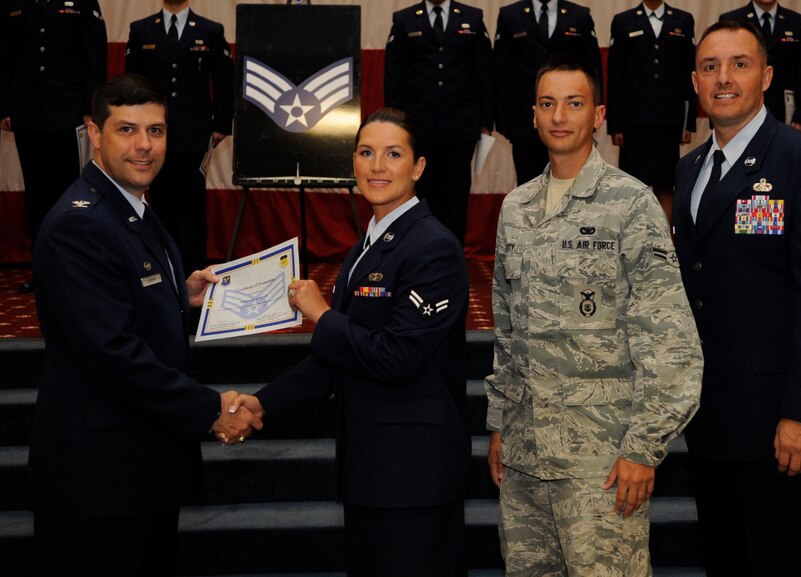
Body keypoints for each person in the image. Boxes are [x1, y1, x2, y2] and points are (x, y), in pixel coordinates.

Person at [28, 74, 261, 577]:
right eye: (127, 130)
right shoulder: (81, 222)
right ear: (94, 132)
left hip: (138, 470)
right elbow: (111, 352)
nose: (144, 146)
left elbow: (122, 298)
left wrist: (183, 295)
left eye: (156, 131)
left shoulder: (129, 207)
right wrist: (210, 407)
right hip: (98, 479)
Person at [485, 56, 702, 576]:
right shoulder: (516, 208)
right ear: (533, 116)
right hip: (524, 460)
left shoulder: (631, 204)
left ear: (598, 114)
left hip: (601, 462)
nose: (560, 115)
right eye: (547, 103)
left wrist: (644, 448)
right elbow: (506, 330)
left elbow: (671, 340)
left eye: (574, 103)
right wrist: (499, 425)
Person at [231, 108, 471, 577]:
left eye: (393, 154)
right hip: (372, 469)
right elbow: (335, 357)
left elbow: (396, 357)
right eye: (366, 153)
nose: (377, 166)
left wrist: (321, 314)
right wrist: (262, 404)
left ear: (418, 167)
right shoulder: (367, 246)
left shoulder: (432, 246)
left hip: (412, 476)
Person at [673, 20, 801, 577]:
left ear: (767, 77)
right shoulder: (689, 170)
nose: (723, 79)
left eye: (739, 64)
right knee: (726, 562)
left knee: (786, 564)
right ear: (695, 81)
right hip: (711, 419)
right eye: (710, 67)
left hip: (782, 424)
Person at [0, 0, 107, 293]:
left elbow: (93, 53)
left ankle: (73, 268)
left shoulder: (82, 2)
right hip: (27, 112)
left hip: (70, 112)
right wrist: (5, 106)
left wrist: (91, 108)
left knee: (70, 194)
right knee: (37, 195)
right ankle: (43, 269)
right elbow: (6, 52)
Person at [125, 0, 234, 274]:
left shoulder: (210, 30)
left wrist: (220, 124)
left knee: (192, 207)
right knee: (159, 203)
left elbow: (224, 81)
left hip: (194, 134)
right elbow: (132, 84)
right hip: (153, 135)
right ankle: (163, 267)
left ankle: (194, 270)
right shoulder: (141, 30)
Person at [384, 0, 494, 245]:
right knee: (421, 194)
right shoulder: (404, 19)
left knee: (455, 196)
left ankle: (452, 255)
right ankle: (421, 254)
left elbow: (484, 69)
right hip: (417, 127)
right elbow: (394, 72)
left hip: (461, 126)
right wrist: (394, 122)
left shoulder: (472, 17)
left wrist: (486, 120)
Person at [494, 0, 603, 186]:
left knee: (572, 183)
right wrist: (503, 120)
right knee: (529, 186)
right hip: (524, 121)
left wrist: (591, 116)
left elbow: (593, 71)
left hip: (570, 122)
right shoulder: (509, 15)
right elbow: (500, 70)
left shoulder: (580, 15)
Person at [607, 0, 696, 221]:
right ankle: (632, 242)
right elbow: (615, 76)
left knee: (666, 185)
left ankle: (663, 245)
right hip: (633, 122)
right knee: (631, 187)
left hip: (669, 120)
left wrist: (689, 123)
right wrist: (615, 125)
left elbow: (690, 75)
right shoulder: (623, 21)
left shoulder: (683, 20)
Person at [720, 0, 801, 132]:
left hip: (784, 116)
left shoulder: (796, 22)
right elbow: (722, 70)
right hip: (741, 113)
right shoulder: (731, 20)